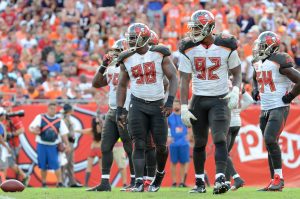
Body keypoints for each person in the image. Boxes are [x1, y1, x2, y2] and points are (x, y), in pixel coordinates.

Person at [179, 10, 242, 194]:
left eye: (198, 27)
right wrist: (183, 106)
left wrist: (236, 90)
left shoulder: (226, 44)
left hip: (220, 98)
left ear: (209, 28)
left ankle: (220, 178)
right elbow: (184, 79)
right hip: (198, 99)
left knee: (220, 138)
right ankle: (199, 182)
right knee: (199, 142)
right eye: (194, 27)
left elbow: (237, 72)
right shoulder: (188, 46)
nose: (194, 31)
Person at [116, 23, 178, 192]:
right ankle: (138, 181)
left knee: (161, 146)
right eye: (130, 38)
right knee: (139, 144)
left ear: (144, 37)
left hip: (157, 104)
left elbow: (173, 78)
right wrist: (120, 110)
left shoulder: (159, 53)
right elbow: (122, 85)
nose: (131, 41)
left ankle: (159, 175)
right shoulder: (126, 58)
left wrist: (170, 101)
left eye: (134, 38)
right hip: (137, 104)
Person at [252, 31, 300, 191]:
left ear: (270, 46)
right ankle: (274, 181)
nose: (258, 48)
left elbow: (299, 79)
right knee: (269, 142)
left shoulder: (280, 60)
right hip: (265, 108)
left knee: (270, 139)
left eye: (262, 46)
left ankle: (279, 179)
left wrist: (291, 96)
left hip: (279, 107)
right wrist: (255, 89)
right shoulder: (259, 63)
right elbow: (256, 77)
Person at [87, 39, 135, 192]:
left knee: (129, 147)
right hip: (112, 111)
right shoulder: (112, 68)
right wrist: (103, 65)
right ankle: (105, 182)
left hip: (127, 111)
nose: (114, 54)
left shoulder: (132, 65)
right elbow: (95, 83)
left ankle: (135, 180)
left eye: (117, 51)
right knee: (105, 146)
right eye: (113, 51)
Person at [29, 102, 71, 187]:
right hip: (41, 144)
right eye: (51, 108)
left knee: (56, 164)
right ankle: (44, 183)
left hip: (53, 145)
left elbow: (64, 134)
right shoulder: (40, 117)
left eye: (54, 109)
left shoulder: (59, 120)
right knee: (43, 165)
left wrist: (67, 144)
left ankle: (59, 182)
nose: (53, 110)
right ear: (47, 109)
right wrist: (34, 131)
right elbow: (31, 127)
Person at [225, 83, 253, 190]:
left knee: (223, 153)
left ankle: (237, 179)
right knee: (226, 154)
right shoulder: (237, 88)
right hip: (237, 122)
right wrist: (238, 111)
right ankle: (227, 183)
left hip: (227, 122)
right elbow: (250, 100)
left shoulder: (221, 86)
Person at [2, 101, 29, 185]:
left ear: (11, 107)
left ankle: (24, 176)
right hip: (4, 144)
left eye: (7, 107)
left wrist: (12, 134)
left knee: (9, 163)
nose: (6, 108)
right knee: (6, 163)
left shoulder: (14, 117)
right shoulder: (2, 117)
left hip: (12, 144)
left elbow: (21, 130)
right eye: (4, 107)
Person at [76, 112, 103, 187]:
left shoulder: (92, 130)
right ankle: (104, 183)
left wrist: (75, 130)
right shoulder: (102, 129)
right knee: (101, 168)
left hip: (93, 148)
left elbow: (82, 131)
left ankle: (86, 184)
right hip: (100, 149)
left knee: (89, 167)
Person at [168, 99, 190, 188]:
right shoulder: (169, 117)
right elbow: (167, 128)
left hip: (184, 143)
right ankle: (174, 182)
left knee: (183, 163)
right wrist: (168, 137)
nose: (176, 106)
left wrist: (189, 135)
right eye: (174, 104)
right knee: (173, 163)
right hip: (173, 143)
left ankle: (182, 182)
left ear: (181, 106)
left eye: (178, 104)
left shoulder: (184, 116)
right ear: (172, 106)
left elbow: (191, 125)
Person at [61, 104, 82, 187]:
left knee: (70, 163)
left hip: (70, 142)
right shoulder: (65, 119)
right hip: (68, 143)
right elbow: (65, 132)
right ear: (69, 110)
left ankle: (72, 182)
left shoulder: (67, 118)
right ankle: (61, 182)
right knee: (65, 163)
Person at [0, 107, 10, 183]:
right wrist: (7, 147)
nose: (5, 116)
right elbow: (0, 138)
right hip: (1, 147)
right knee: (3, 167)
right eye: (3, 115)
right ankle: (3, 182)